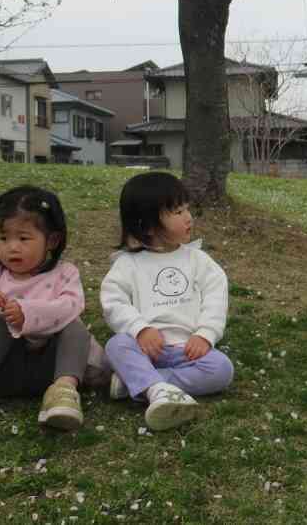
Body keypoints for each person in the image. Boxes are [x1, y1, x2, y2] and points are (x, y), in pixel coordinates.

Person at [0, 185, 109, 440]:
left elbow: (70, 307)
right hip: (3, 373)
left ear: (52, 240)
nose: (12, 247)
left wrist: (27, 314)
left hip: (52, 370)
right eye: (3, 238)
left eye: (23, 238)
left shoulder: (65, 274)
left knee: (72, 324)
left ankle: (63, 393)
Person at [100, 171, 234, 432]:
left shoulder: (198, 260)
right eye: (177, 212)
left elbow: (216, 298)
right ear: (147, 224)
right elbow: (113, 301)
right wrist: (140, 329)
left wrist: (205, 335)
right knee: (117, 345)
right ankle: (153, 386)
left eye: (187, 209)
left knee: (222, 369)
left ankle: (138, 384)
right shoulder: (128, 264)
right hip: (145, 350)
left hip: (188, 352)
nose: (188, 217)